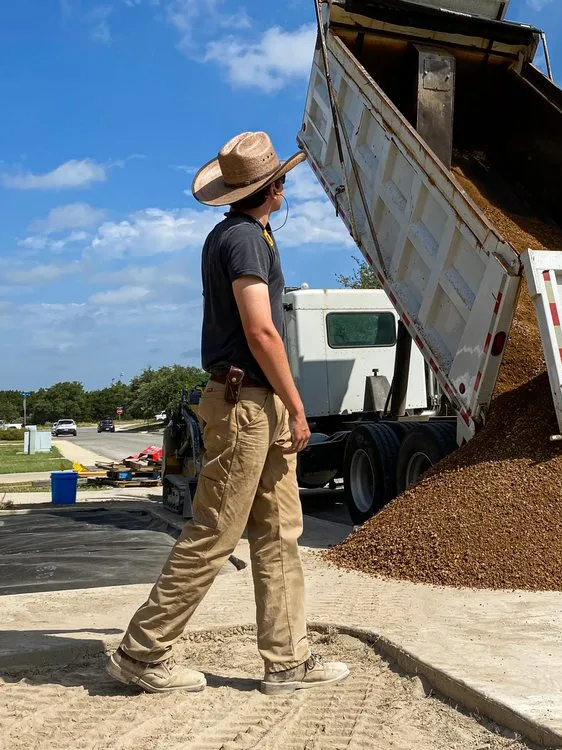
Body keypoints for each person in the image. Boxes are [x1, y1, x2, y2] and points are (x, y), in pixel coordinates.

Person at [107, 132, 349, 695]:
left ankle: (288, 660)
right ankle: (143, 651)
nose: (285, 190)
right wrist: (297, 405)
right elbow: (260, 329)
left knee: (281, 531)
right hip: (246, 404)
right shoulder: (242, 240)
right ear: (271, 189)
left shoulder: (247, 233)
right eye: (282, 182)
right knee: (217, 528)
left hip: (253, 400)